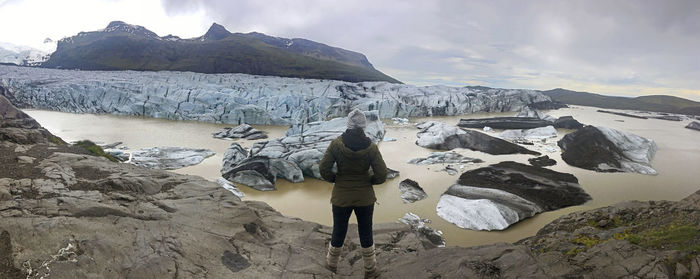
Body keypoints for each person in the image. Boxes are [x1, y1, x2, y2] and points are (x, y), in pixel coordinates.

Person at [319, 108, 387, 278]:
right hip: (365, 197)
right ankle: (370, 269)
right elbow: (382, 174)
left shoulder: (336, 144)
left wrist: (336, 179)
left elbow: (323, 168)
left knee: (339, 231)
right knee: (366, 232)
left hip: (341, 196)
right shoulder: (371, 147)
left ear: (348, 124)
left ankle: (331, 266)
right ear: (363, 126)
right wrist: (370, 181)